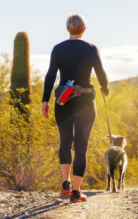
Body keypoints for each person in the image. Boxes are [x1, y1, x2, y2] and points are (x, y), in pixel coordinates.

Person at [42, 13, 109, 203]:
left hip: (63, 102)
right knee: (81, 146)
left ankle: (65, 185)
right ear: (84, 29)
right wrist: (105, 88)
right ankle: (77, 192)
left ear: (67, 28)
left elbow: (50, 76)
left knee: (65, 142)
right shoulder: (91, 48)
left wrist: (45, 100)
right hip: (86, 101)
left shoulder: (58, 49)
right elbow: (101, 73)